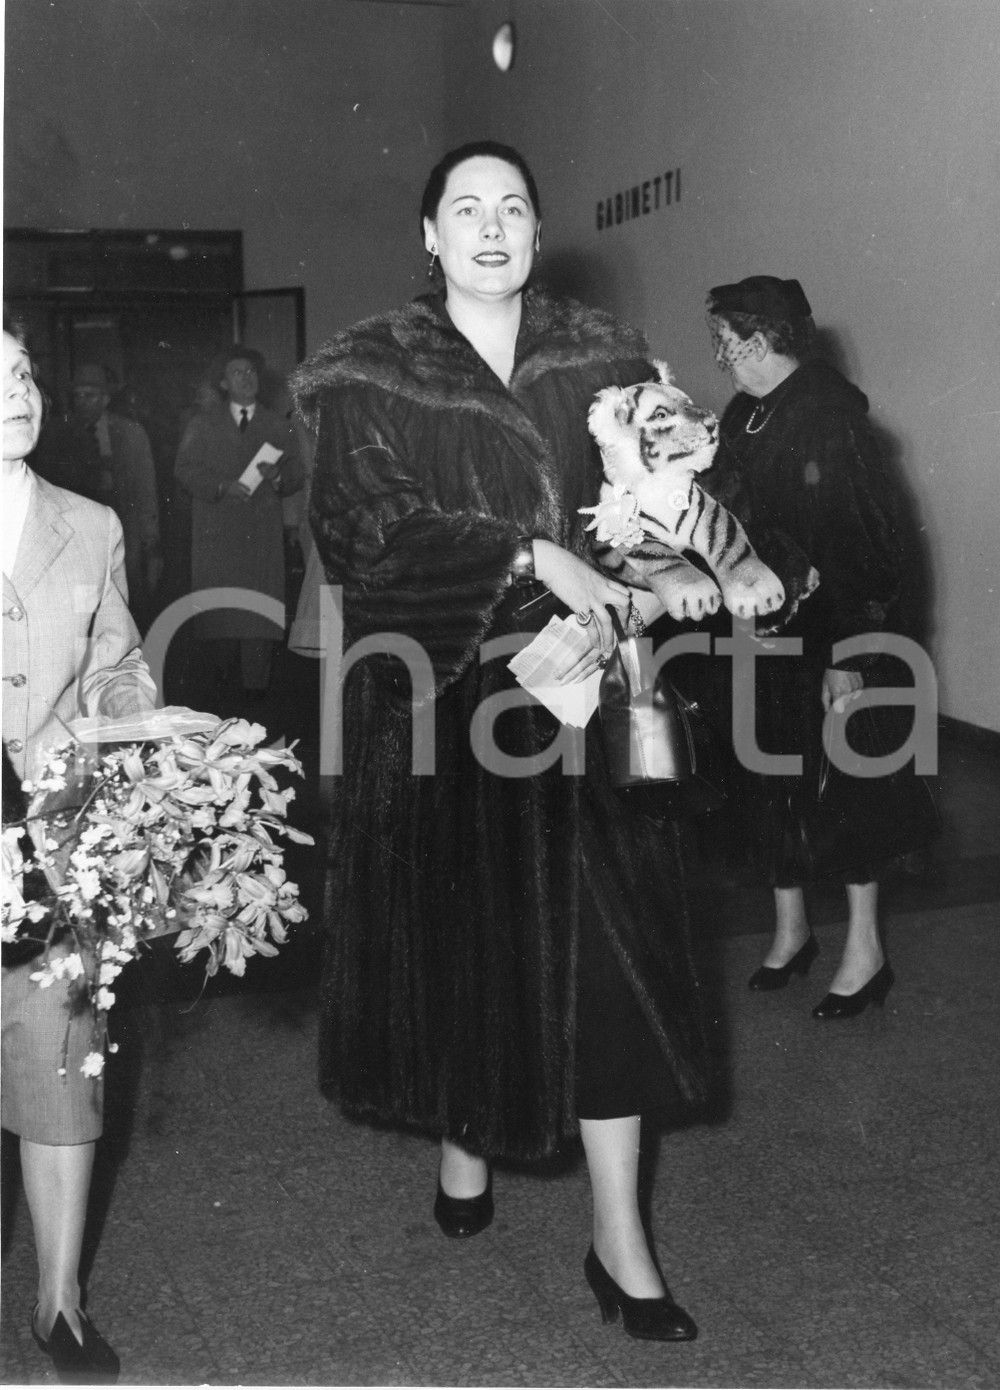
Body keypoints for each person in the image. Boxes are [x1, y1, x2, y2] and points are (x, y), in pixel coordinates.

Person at [291, 142, 711, 1341]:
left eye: (512, 208)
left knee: (608, 965)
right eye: (464, 209)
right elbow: (359, 533)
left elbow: (656, 513)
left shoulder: (609, 359)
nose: (490, 227)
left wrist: (660, 564)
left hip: (585, 700)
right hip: (440, 701)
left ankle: (620, 1240)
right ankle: (461, 1139)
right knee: (461, 950)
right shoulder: (366, 374)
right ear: (428, 235)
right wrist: (526, 556)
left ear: (537, 230)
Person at [703, 275, 937, 1018]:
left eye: (727, 341)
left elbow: (870, 544)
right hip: (766, 635)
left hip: (834, 635)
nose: (721, 356)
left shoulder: (832, 417)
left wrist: (855, 657)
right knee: (768, 779)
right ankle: (791, 931)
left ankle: (864, 952)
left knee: (850, 791)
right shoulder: (744, 414)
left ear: (763, 338)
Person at [2, 313, 157, 1382]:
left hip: (56, 829)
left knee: (62, 1065)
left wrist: (132, 708)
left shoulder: (89, 524)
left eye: (22, 370)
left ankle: (60, 1298)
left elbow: (116, 660)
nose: (17, 387)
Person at [174, 347, 304, 695]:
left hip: (260, 535)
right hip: (217, 534)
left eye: (251, 372)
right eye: (237, 372)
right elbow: (183, 470)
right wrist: (220, 486)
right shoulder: (201, 424)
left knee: (258, 622)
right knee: (221, 619)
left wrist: (277, 477)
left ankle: (256, 698)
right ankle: (220, 697)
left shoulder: (278, 425)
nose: (247, 378)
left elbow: (296, 474)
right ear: (222, 383)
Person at [31, 362, 162, 625]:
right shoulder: (57, 432)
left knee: (127, 598)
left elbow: (145, 488)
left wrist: (151, 539)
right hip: (78, 529)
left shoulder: (131, 433)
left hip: (122, 524)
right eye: (77, 396)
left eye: (89, 395)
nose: (82, 402)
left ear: (106, 398)